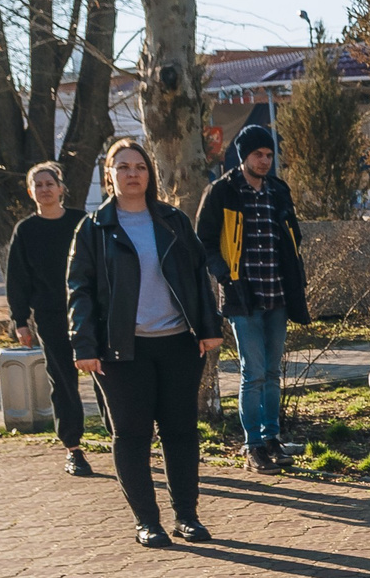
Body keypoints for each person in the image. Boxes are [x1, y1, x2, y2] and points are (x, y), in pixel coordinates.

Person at [69, 137, 226, 548]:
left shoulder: (173, 221)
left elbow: (197, 277)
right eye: (122, 167)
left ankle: (187, 517)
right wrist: (83, 345)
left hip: (178, 344)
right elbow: (79, 290)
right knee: (133, 436)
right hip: (122, 350)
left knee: (181, 432)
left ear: (149, 174)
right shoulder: (93, 228)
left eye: (139, 166)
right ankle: (147, 521)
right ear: (109, 175)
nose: (132, 173)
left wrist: (209, 328)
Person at [198, 123, 311, 473]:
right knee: (254, 372)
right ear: (243, 156)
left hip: (277, 295)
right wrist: (224, 276)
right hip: (242, 297)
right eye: (258, 155)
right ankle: (253, 445)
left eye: (268, 155)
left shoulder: (278, 189)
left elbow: (292, 234)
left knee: (273, 371)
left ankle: (272, 438)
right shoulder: (223, 191)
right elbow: (204, 240)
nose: (264, 161)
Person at [3, 160, 96, 477]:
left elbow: (101, 267)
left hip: (89, 312)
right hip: (49, 316)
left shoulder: (82, 222)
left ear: (61, 188)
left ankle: (123, 438)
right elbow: (17, 279)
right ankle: (74, 449)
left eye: (49, 183)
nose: (44, 189)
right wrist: (20, 320)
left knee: (106, 374)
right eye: (38, 185)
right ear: (31, 192)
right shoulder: (26, 230)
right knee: (63, 382)